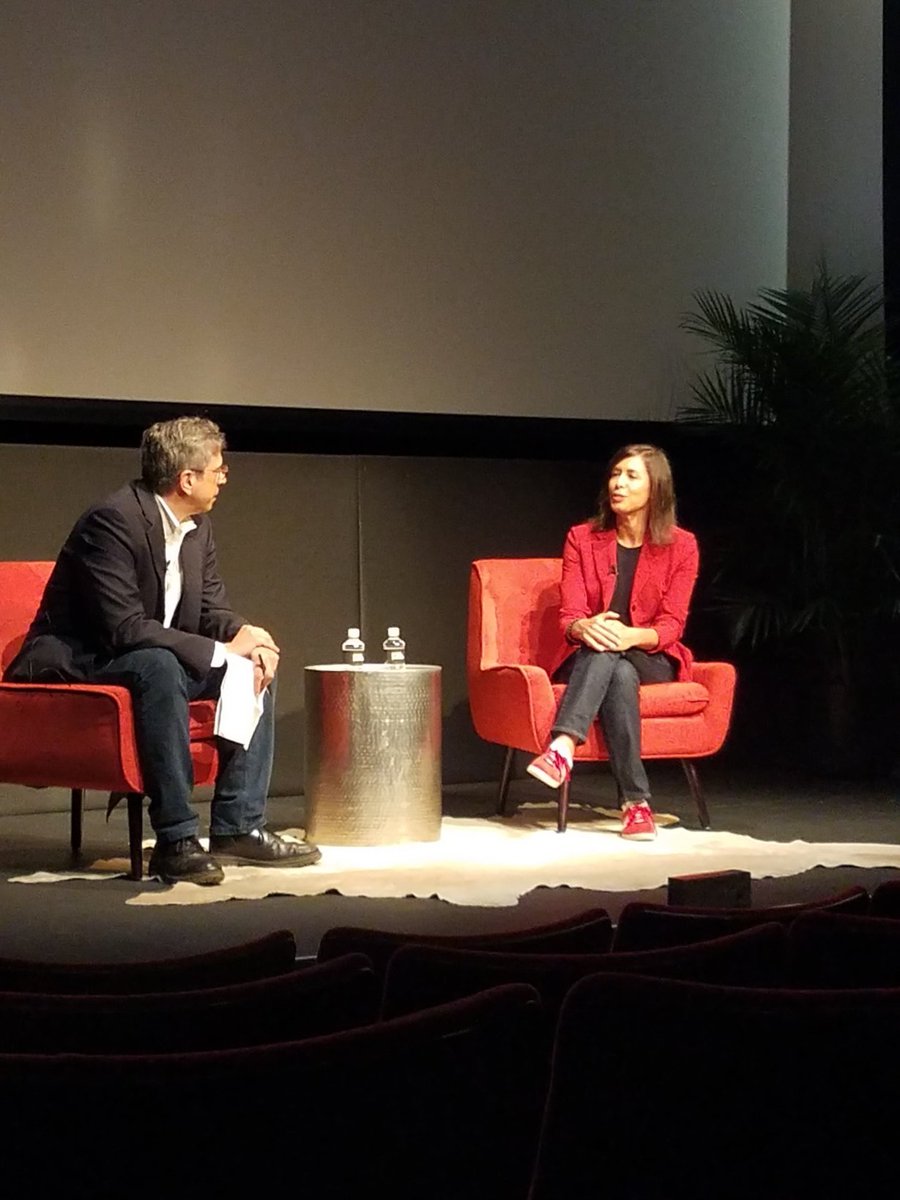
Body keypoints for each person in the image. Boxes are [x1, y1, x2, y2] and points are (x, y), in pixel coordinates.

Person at [3, 416, 321, 885]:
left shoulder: (197, 527)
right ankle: (174, 840)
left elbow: (211, 607)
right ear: (186, 478)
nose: (225, 476)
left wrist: (247, 635)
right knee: (160, 665)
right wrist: (218, 652)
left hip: (145, 656)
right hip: (83, 658)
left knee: (249, 666)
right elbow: (123, 629)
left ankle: (239, 825)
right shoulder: (112, 522)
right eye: (218, 468)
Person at [526, 444, 698, 841]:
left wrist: (629, 635)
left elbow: (672, 625)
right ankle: (636, 805)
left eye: (631, 476)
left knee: (616, 654)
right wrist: (586, 628)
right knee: (615, 669)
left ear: (655, 489)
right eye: (615, 474)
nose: (618, 483)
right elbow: (569, 618)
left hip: (651, 657)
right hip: (590, 654)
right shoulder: (582, 538)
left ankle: (563, 745)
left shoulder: (682, 545)